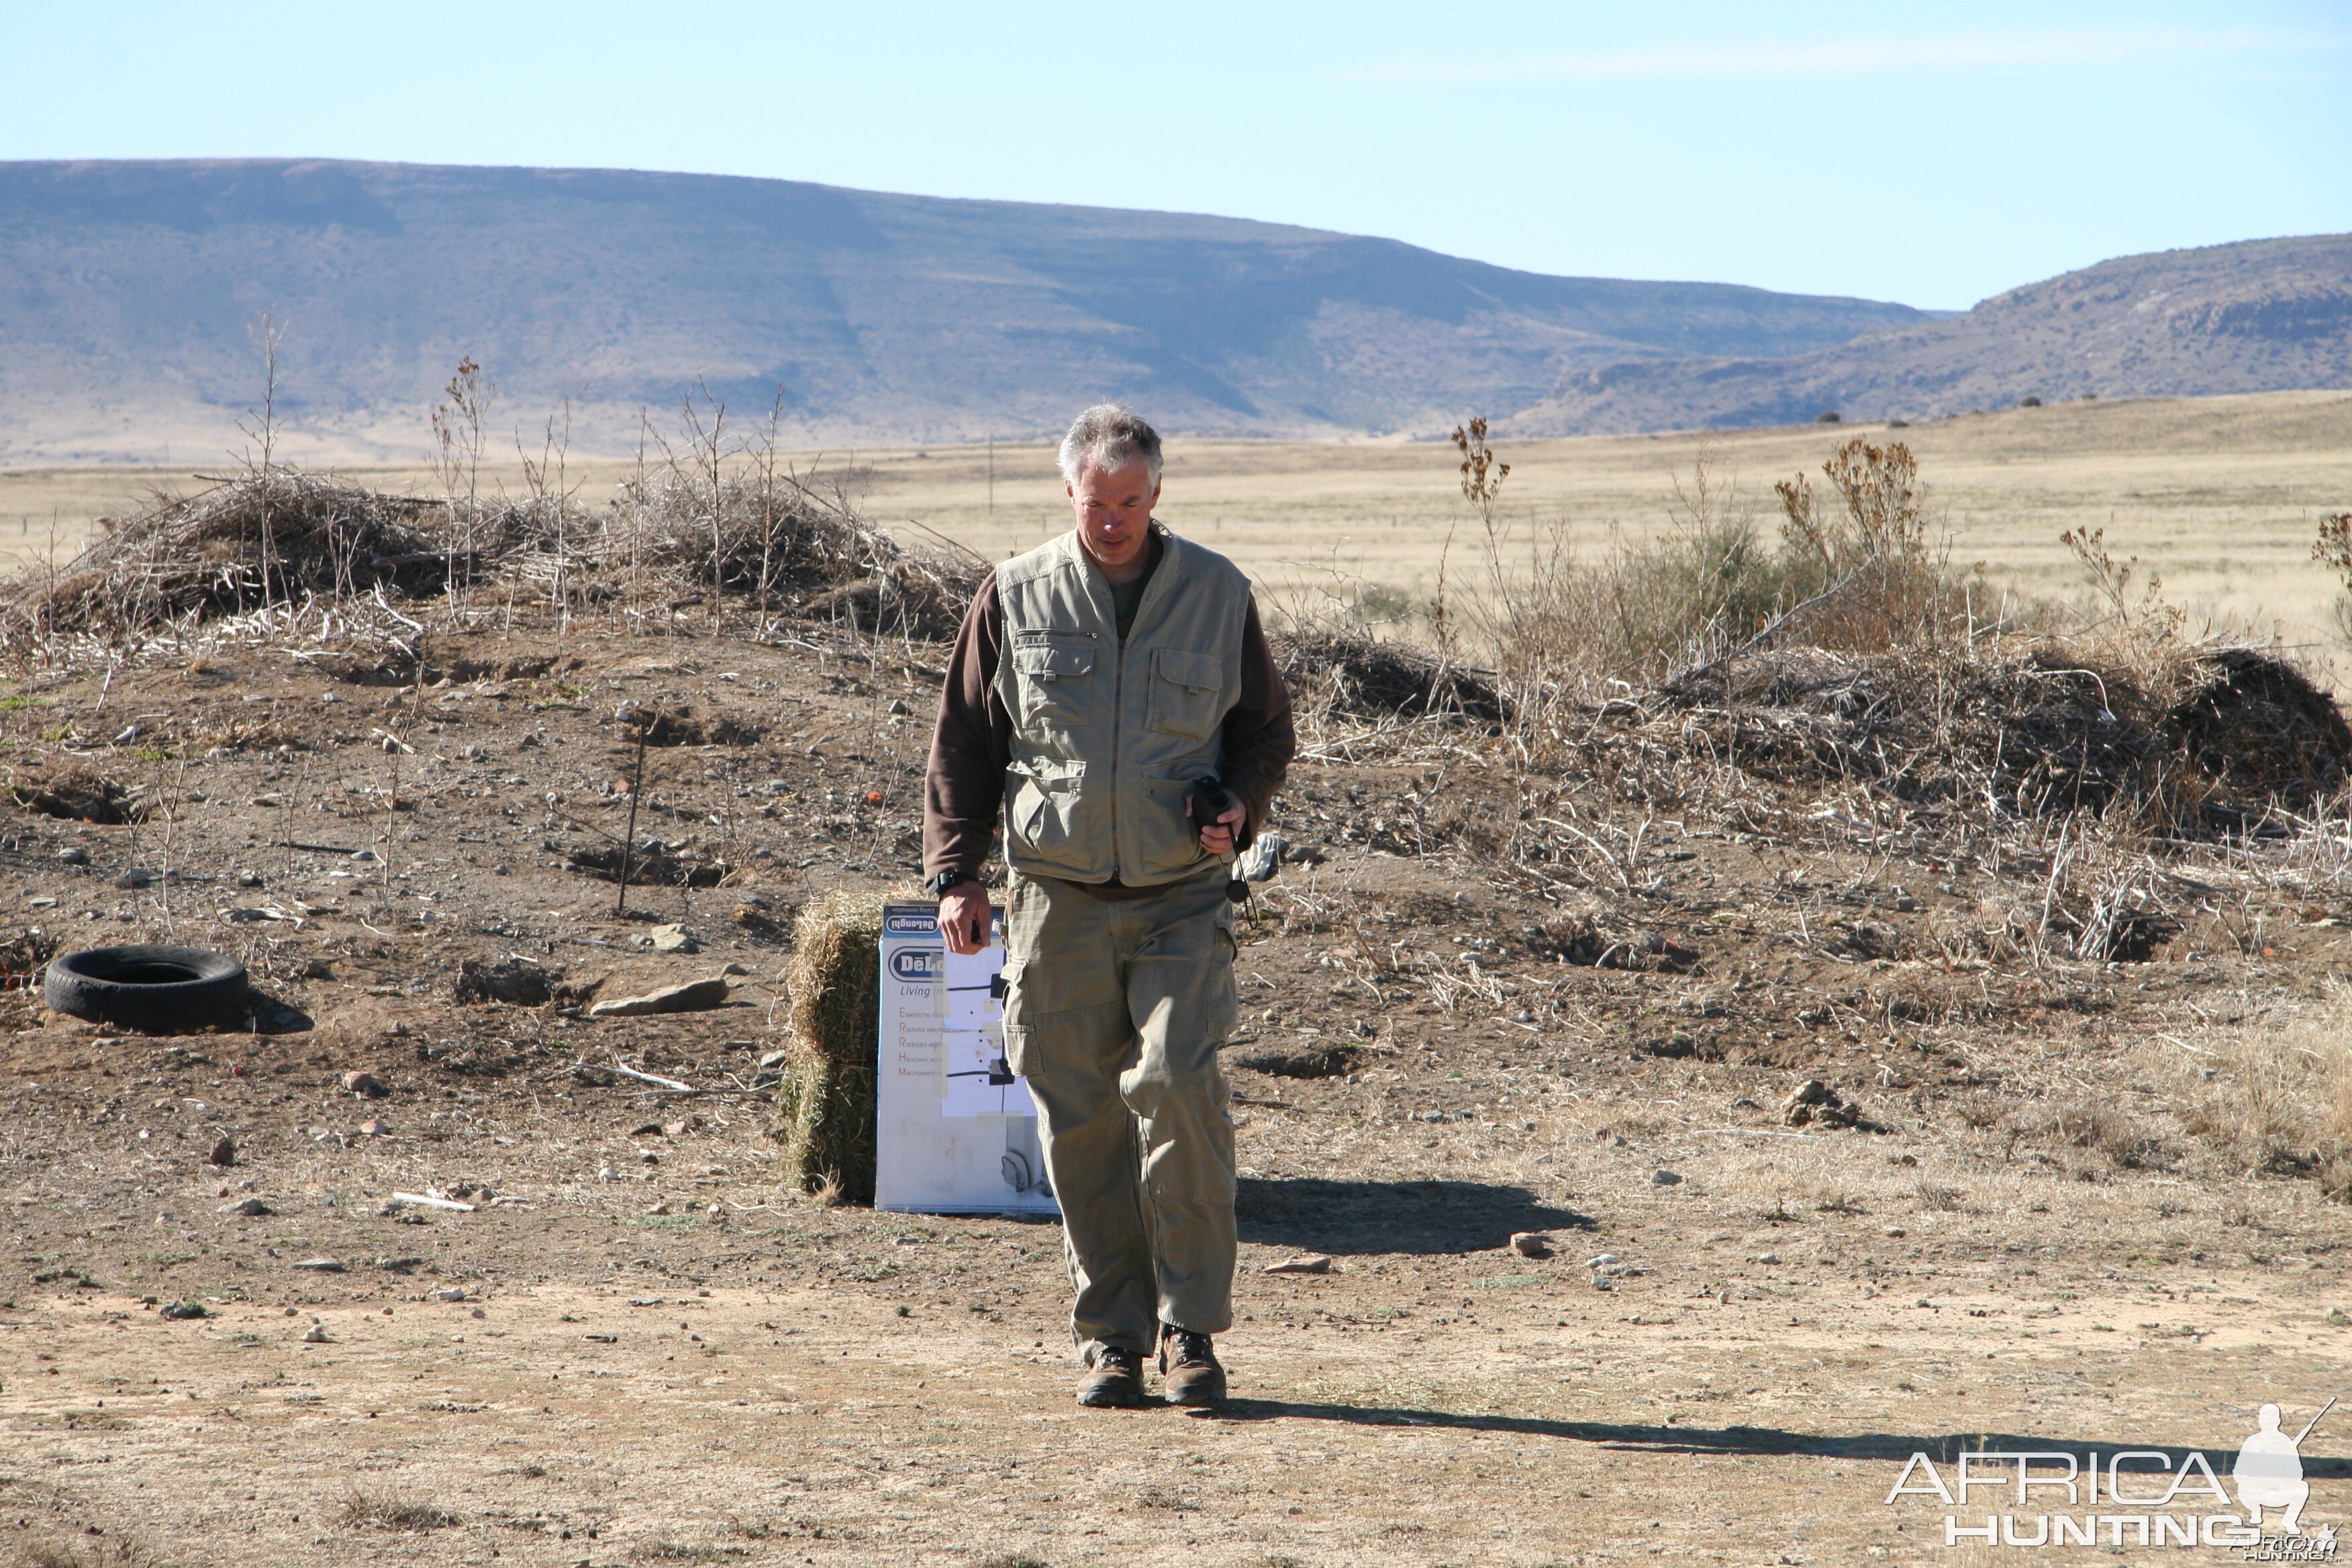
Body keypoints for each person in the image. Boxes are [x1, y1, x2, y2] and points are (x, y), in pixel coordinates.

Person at [923, 403, 1294, 1408]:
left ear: (1158, 494)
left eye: (1132, 502)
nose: (1115, 521)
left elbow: (1264, 733)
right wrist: (958, 875)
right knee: (1078, 1114)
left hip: (1181, 893)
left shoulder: (1218, 595)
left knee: (1177, 1084)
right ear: (1069, 494)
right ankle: (1114, 1340)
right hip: (1057, 900)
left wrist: (1241, 805)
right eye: (1098, 504)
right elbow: (965, 741)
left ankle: (1193, 1332)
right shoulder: (1014, 594)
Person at [2235, 1402, 2312, 1534]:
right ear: (2260, 1421)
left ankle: (2290, 1520)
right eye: (2265, 1419)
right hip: (2257, 1492)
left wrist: (2281, 1475)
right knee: (2242, 1486)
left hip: (2280, 1492)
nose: (2268, 1423)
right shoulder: (2252, 1441)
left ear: (2278, 1421)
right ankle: (2255, 1511)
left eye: (2271, 1420)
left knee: (2303, 1487)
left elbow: (2298, 1474)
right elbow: (2239, 1472)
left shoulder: (2286, 1443)